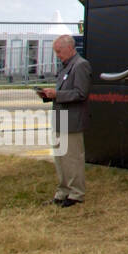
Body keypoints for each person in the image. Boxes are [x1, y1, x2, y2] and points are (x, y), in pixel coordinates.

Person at [38, 35, 90, 208]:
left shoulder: (81, 65)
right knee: (60, 159)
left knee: (72, 158)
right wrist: (49, 95)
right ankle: (63, 191)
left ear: (69, 47)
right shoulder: (65, 67)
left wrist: (57, 95)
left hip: (72, 121)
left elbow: (81, 93)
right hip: (60, 119)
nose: (57, 55)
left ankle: (76, 193)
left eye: (59, 51)